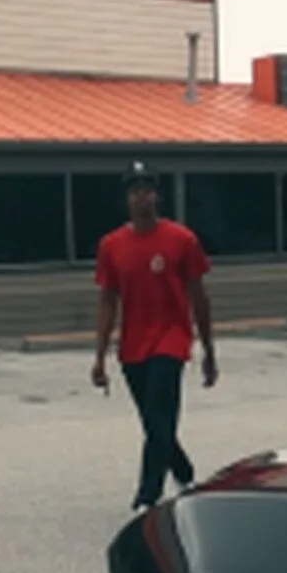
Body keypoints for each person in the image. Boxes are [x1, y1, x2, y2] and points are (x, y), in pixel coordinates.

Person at [91, 160, 217, 512]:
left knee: (160, 415)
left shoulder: (181, 240)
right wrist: (99, 356)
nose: (141, 197)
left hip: (171, 339)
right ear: (127, 199)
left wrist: (209, 350)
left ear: (157, 197)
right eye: (135, 191)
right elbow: (107, 301)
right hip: (133, 345)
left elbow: (199, 297)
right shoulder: (112, 245)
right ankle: (184, 472)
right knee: (154, 422)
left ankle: (147, 497)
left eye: (147, 190)